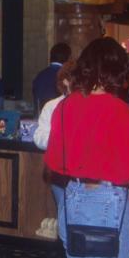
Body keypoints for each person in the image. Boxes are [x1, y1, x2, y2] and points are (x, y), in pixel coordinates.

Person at [45, 37, 129, 258]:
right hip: (108, 203)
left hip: (71, 198)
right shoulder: (121, 111)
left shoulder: (65, 106)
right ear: (117, 70)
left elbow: (53, 161)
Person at [33, 60, 77, 241]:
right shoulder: (52, 106)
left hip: (85, 175)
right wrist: (59, 139)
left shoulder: (91, 105)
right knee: (67, 220)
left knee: (79, 222)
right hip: (60, 174)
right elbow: (39, 137)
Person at [32, 42, 71, 109]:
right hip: (59, 116)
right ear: (68, 58)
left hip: (40, 116)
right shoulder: (66, 76)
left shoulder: (39, 76)